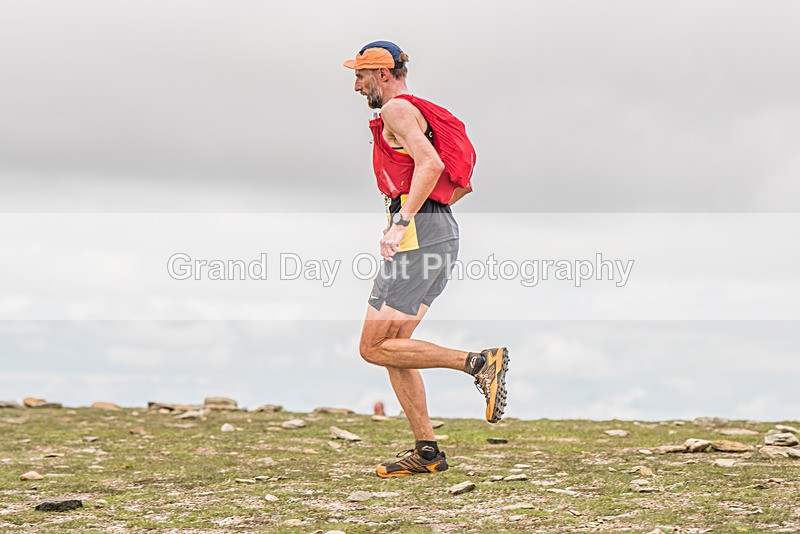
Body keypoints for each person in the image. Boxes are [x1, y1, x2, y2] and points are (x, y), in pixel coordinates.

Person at [344, 41, 510, 478]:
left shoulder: (397, 110)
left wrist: (403, 220)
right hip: (439, 230)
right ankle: (427, 451)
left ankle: (477, 362)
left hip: (421, 233)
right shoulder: (414, 111)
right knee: (394, 350)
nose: (356, 85)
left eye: (361, 76)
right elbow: (457, 185)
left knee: (373, 346)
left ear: (383, 74)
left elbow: (431, 164)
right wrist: (421, 217)